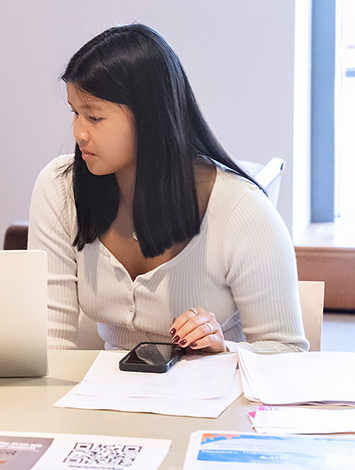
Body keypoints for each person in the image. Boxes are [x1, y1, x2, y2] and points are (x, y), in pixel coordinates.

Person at [28, 24, 308, 354]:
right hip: (105, 399)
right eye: (75, 112)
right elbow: (50, 345)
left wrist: (225, 351)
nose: (79, 133)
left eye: (94, 117)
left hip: (212, 399)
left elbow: (287, 353)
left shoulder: (241, 208)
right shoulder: (60, 188)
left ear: (150, 116)